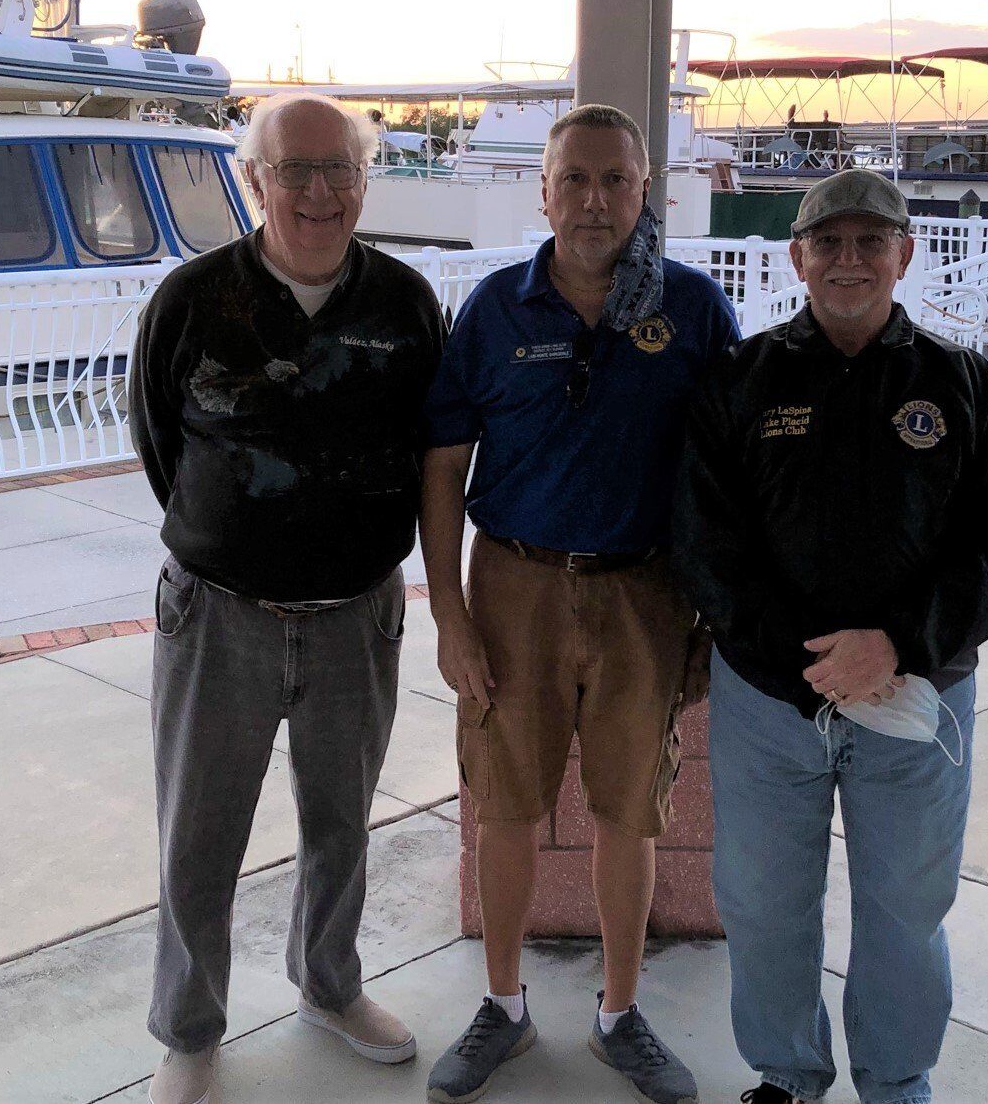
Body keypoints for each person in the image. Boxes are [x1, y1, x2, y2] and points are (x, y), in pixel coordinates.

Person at [673, 169, 988, 1104]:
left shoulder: (961, 384)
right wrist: (811, 664)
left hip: (916, 702)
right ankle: (787, 1073)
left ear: (904, 254)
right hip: (768, 703)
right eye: (827, 241)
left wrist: (897, 647)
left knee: (906, 908)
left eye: (870, 241)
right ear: (797, 256)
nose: (848, 259)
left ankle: (895, 1074)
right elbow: (706, 549)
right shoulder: (738, 381)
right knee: (762, 905)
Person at [129, 92, 445, 1104]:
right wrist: (235, 535)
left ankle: (329, 984)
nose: (318, 191)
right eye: (294, 170)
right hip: (218, 613)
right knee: (199, 831)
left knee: (341, 822)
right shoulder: (191, 299)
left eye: (338, 170)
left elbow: (427, 449)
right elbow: (160, 441)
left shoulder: (404, 303)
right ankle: (188, 1028)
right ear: (253, 179)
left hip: (356, 612)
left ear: (362, 180)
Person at [420, 103, 739, 1104]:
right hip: (511, 580)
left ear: (646, 192)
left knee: (625, 812)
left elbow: (730, 470)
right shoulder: (492, 309)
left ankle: (618, 1011)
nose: (593, 200)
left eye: (615, 180)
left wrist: (713, 613)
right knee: (505, 803)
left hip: (642, 589)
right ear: (542, 189)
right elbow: (440, 468)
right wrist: (448, 615)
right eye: (574, 179)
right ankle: (504, 1004)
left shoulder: (691, 309)